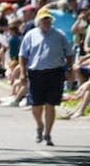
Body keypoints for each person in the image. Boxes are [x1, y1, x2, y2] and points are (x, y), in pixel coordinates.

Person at [18, 8, 75, 146]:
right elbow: (22, 55)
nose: (46, 22)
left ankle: (48, 134)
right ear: (38, 21)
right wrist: (22, 73)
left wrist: (69, 68)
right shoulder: (31, 35)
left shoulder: (59, 35)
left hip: (55, 73)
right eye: (44, 20)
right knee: (36, 106)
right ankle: (39, 125)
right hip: (36, 73)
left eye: (48, 20)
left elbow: (69, 53)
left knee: (51, 104)